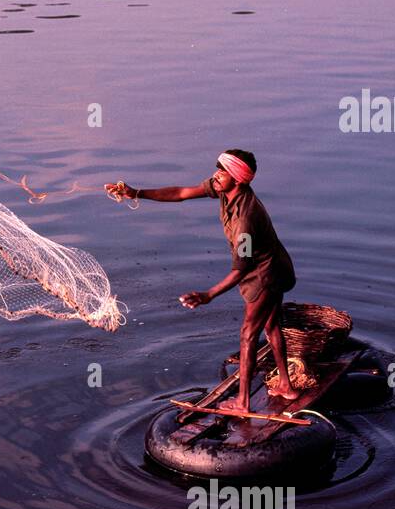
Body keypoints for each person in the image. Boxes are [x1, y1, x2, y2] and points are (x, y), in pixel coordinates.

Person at [105, 150, 303, 413]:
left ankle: (243, 403)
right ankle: (286, 387)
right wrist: (137, 193)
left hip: (265, 274)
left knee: (248, 334)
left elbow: (241, 270)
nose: (216, 174)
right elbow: (181, 193)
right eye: (217, 168)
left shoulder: (245, 218)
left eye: (223, 171)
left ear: (239, 179)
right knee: (271, 325)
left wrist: (209, 294)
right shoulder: (223, 188)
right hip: (274, 264)